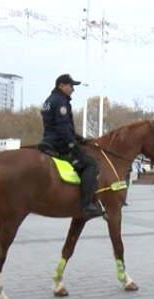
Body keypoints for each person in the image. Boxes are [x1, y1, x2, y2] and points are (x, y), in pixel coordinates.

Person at [39, 74, 103, 218]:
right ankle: (87, 205)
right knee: (91, 164)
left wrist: (81, 139)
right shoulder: (61, 102)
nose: (73, 89)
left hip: (48, 141)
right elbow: (62, 129)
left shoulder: (49, 101)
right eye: (71, 86)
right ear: (61, 85)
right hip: (59, 144)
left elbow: (60, 127)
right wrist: (73, 145)